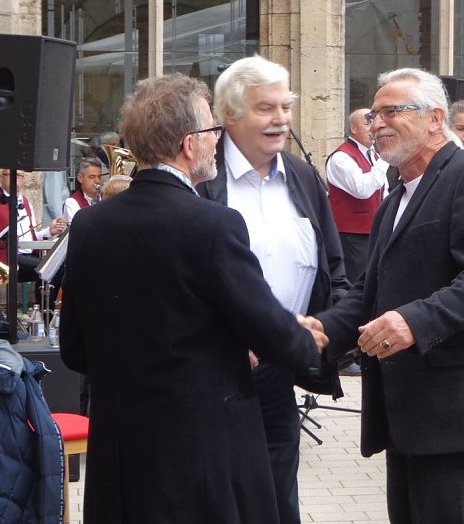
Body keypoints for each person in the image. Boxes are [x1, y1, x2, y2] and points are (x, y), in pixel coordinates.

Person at [59, 73, 327, 523]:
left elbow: (74, 349)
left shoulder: (90, 225)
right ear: (189, 144)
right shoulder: (214, 224)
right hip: (200, 459)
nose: (218, 141)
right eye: (212, 131)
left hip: (122, 459)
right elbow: (267, 328)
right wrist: (305, 339)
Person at [311, 67, 464, 523]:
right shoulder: (395, 198)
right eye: (373, 114)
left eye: (392, 111)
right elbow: (368, 292)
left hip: (453, 414)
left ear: (435, 118)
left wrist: (414, 321)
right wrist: (320, 328)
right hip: (405, 413)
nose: (377, 123)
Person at [197, 55, 349, 524]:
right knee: (218, 501)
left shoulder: (302, 177)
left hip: (278, 370)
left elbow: (333, 270)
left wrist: (319, 330)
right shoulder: (202, 180)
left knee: (279, 499)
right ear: (228, 114)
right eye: (265, 108)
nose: (281, 119)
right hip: (213, 374)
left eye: (285, 106)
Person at [0, 169, 66, 299]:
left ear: (24, 180)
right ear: (2, 177)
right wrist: (5, 236)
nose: (15, 179)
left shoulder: (25, 202)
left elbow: (31, 237)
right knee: (46, 268)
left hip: (26, 256)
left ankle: (47, 308)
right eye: (10, 175)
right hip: (3, 257)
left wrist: (49, 231)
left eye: (19, 176)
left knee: (55, 267)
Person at [325, 107, 388, 283]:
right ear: (353, 128)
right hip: (351, 235)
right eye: (368, 123)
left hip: (374, 231)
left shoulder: (373, 155)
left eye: (374, 122)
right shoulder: (341, 157)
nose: (373, 128)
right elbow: (362, 189)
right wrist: (385, 158)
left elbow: (383, 190)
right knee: (356, 283)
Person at [62, 157, 102, 222]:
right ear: (80, 178)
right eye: (92, 177)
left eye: (99, 177)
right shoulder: (72, 202)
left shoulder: (105, 197)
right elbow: (79, 225)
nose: (97, 181)